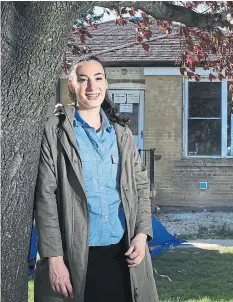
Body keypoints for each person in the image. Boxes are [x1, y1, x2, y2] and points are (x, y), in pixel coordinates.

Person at [34, 55, 158, 302]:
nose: (92, 87)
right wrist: (54, 259)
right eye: (83, 79)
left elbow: (142, 187)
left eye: (98, 78)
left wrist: (142, 234)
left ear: (106, 83)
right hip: (74, 256)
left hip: (121, 254)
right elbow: (45, 197)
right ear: (72, 86)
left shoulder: (122, 134)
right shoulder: (55, 131)